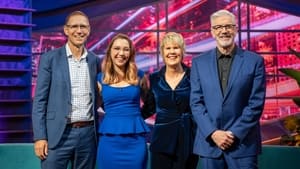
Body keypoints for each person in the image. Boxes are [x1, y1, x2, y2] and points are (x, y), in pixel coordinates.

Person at [190, 9, 266, 169]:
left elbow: (256, 104)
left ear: (236, 29)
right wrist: (213, 133)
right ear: (212, 31)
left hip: (243, 144)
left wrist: (234, 133)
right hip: (211, 144)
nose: (224, 31)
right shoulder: (199, 62)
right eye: (218, 27)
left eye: (228, 26)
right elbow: (196, 103)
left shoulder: (255, 61)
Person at [32, 11, 100, 169]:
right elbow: (39, 101)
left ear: (89, 30)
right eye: (74, 26)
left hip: (88, 135)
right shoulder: (50, 59)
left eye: (83, 26)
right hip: (57, 135)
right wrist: (40, 137)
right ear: (66, 30)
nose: (79, 30)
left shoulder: (94, 60)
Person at [142, 32, 199, 169]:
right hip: (161, 142)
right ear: (162, 52)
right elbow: (149, 108)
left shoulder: (195, 76)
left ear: (182, 51)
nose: (172, 52)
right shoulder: (154, 78)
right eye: (168, 48)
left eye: (176, 47)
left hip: (188, 140)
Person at [96, 33, 150, 169]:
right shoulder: (100, 79)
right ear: (110, 51)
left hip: (135, 141)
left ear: (131, 53)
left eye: (126, 49)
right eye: (117, 48)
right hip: (109, 141)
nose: (121, 53)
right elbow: (98, 105)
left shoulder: (140, 76)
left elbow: (150, 103)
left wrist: (136, 117)